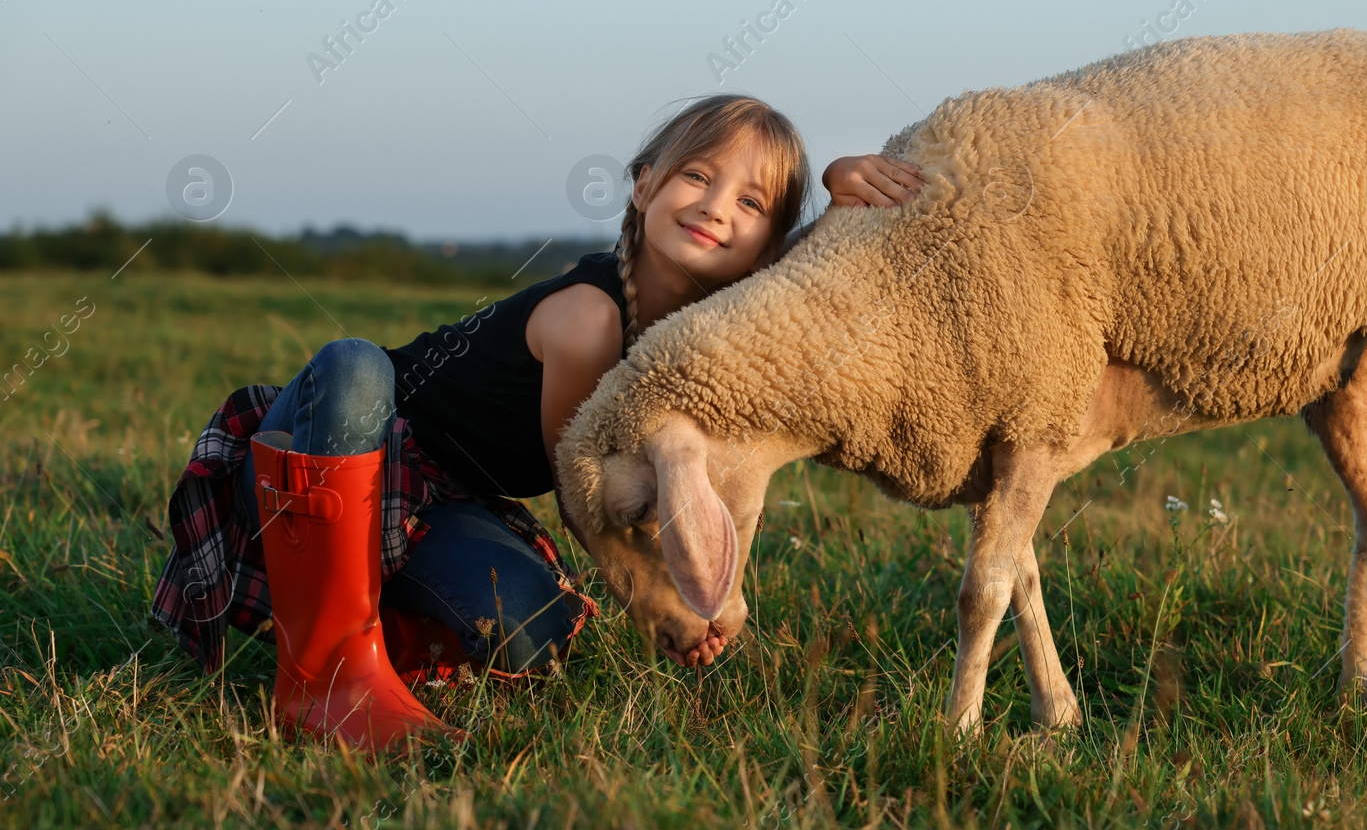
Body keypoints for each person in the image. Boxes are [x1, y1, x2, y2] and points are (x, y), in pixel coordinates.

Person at [149, 92, 923, 749]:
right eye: (697, 175)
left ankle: (374, 643)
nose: (717, 207)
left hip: (443, 510)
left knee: (536, 628)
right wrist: (650, 590)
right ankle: (323, 679)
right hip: (336, 455)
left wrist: (839, 185)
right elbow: (578, 481)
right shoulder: (587, 317)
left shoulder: (710, 332)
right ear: (645, 185)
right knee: (357, 364)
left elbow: (807, 278)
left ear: (766, 246)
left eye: (750, 202)